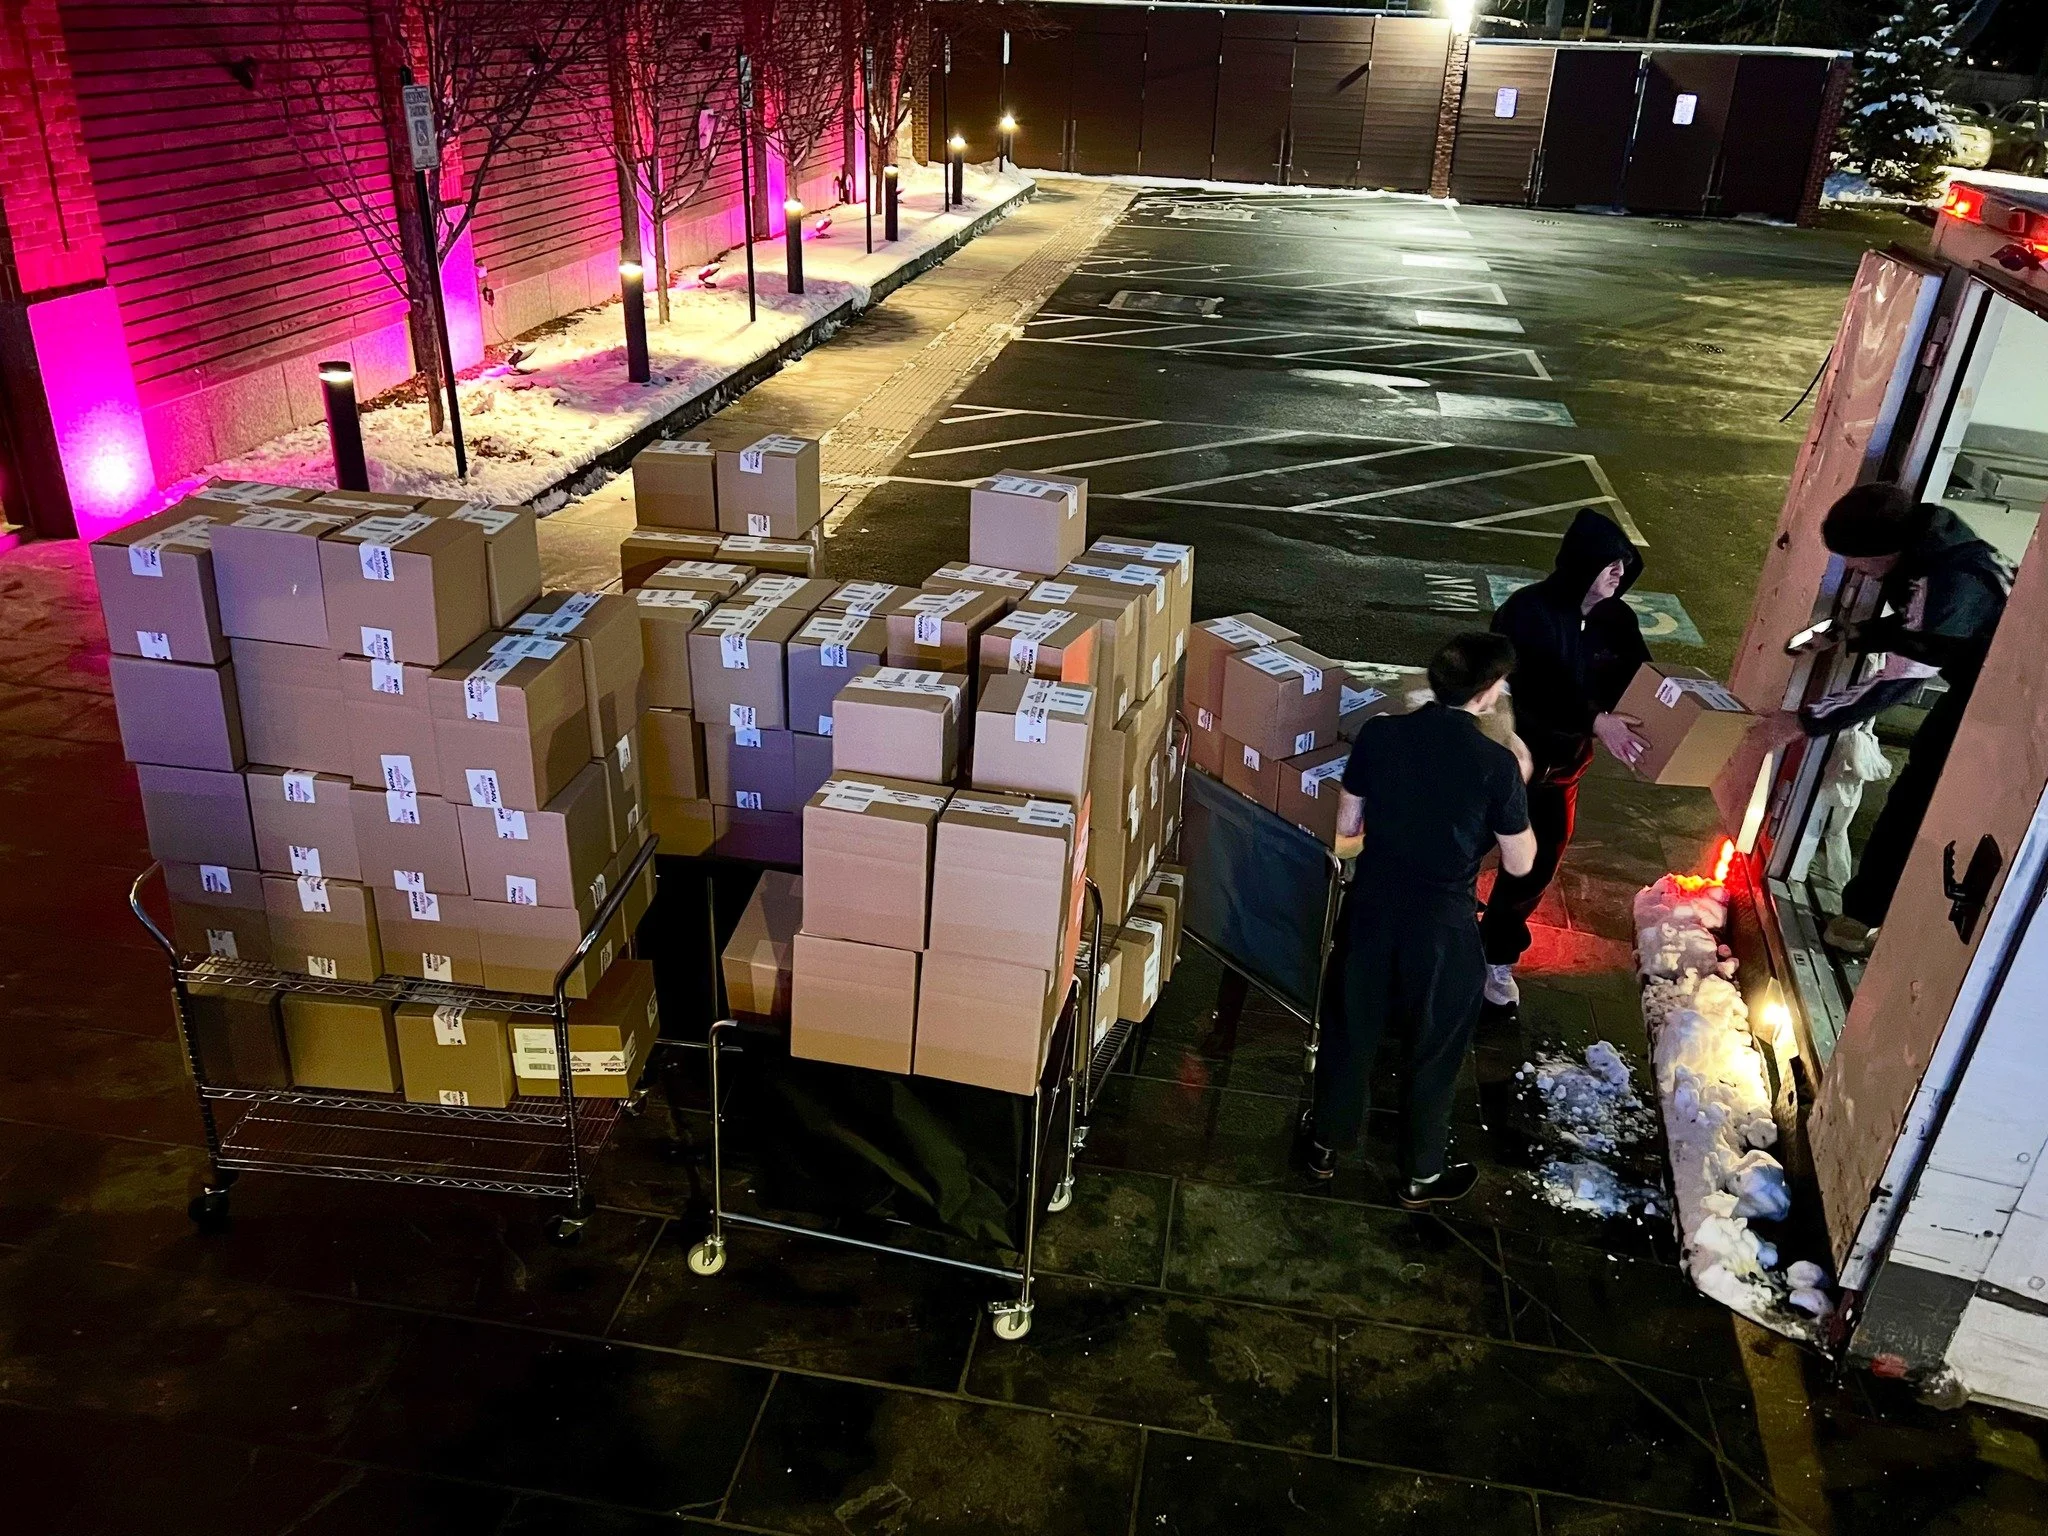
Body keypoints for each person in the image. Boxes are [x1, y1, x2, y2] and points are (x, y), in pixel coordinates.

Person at [1305, 632, 1537, 1206]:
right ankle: (1421, 1173)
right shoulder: (1497, 764)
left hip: (1372, 907)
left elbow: (1348, 829)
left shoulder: (1379, 734)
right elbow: (1520, 863)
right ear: (1486, 693)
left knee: (1350, 1027)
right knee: (1437, 1044)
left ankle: (1325, 1146)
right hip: (1442, 923)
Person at [1759, 483, 2012, 955]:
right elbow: (1924, 623)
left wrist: (1805, 721)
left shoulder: (1952, 581)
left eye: (1858, 562)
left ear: (1885, 550)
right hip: (1993, 691)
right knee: (1926, 788)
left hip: (2009, 707)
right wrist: (1853, 635)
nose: (1854, 571)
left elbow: (1899, 678)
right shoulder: (1941, 546)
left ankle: (1864, 919)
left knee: (1918, 798)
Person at [1480, 509, 1650, 1008]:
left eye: (1624, 563)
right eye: (1608, 563)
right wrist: (1595, 720)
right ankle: (1423, 931)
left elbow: (1638, 680)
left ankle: (1495, 954)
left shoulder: (1617, 620)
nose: (1619, 572)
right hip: (1506, 764)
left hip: (1563, 773)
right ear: (1580, 563)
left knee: (1534, 868)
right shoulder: (1526, 612)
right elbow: (1524, 690)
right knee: (1462, 848)